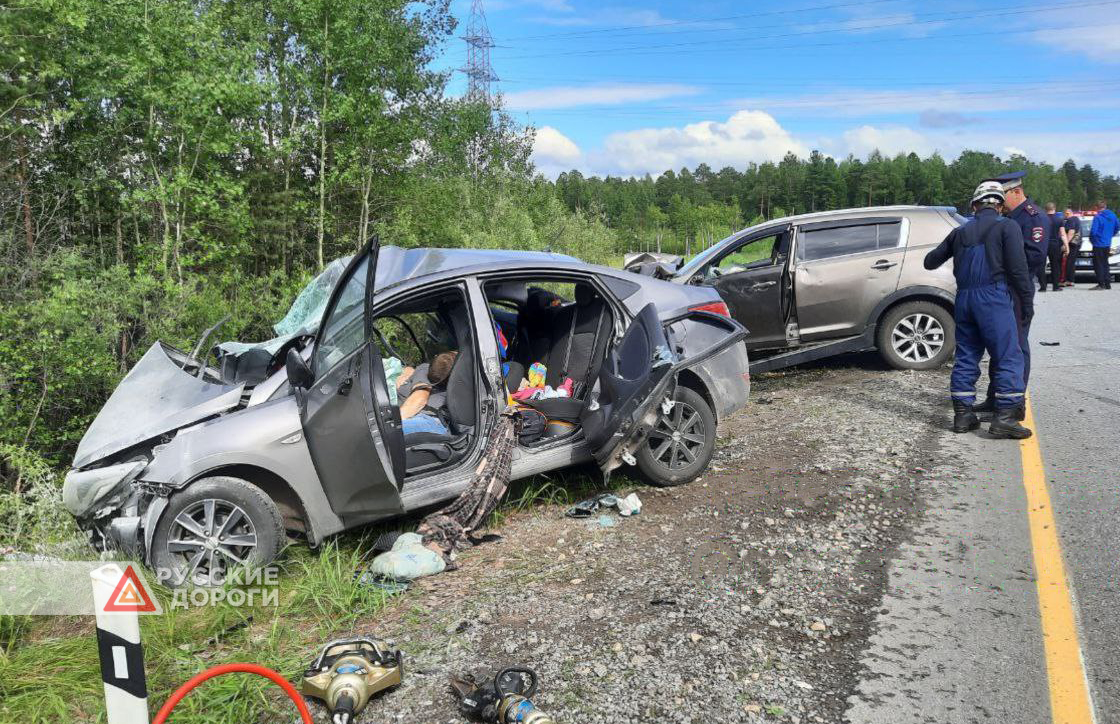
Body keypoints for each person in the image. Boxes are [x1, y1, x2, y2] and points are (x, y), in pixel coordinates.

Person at [924, 181, 1032, 439]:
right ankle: (1005, 418)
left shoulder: (959, 232)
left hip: (964, 299)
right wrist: (1026, 302)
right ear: (1000, 205)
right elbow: (1018, 270)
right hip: (993, 297)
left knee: (967, 356)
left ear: (974, 206)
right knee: (1008, 355)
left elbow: (930, 262)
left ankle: (963, 415)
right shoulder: (1008, 226)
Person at [972, 171, 1045, 419]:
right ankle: (996, 399)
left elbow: (1034, 256)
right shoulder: (1008, 219)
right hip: (1000, 289)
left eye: (1001, 197)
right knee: (999, 345)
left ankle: (1014, 404)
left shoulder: (1032, 218)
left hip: (1016, 289)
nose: (998, 204)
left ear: (1015, 191)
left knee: (1015, 347)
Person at [397, 351, 458, 435]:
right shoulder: (424, 369)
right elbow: (418, 400)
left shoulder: (424, 369)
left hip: (429, 419)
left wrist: (392, 423)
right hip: (423, 418)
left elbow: (419, 400)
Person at [1089, 200, 1118, 290]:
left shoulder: (1098, 217)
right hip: (1107, 243)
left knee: (1098, 264)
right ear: (1105, 207)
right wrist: (1110, 235)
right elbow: (1117, 227)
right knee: (1105, 263)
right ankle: (1108, 283)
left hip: (1098, 243)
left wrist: (1092, 240)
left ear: (1097, 208)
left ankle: (1101, 284)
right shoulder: (1113, 216)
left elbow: (1093, 231)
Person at [1042, 202, 1064, 292]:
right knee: (1055, 266)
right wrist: (1066, 245)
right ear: (1054, 208)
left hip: (1043, 244)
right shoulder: (1059, 219)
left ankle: (1043, 287)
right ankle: (1055, 286)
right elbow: (1062, 234)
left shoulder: (1042, 219)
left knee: (1041, 266)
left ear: (1045, 209)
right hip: (1055, 244)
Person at [1062, 207, 1081, 286]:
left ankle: (1069, 280)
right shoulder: (1077, 219)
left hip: (1071, 244)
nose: (1064, 216)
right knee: (1072, 262)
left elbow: (1071, 232)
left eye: (1065, 214)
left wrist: (1065, 244)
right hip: (1077, 244)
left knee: (1069, 262)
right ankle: (1071, 280)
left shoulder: (1070, 220)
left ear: (1067, 213)